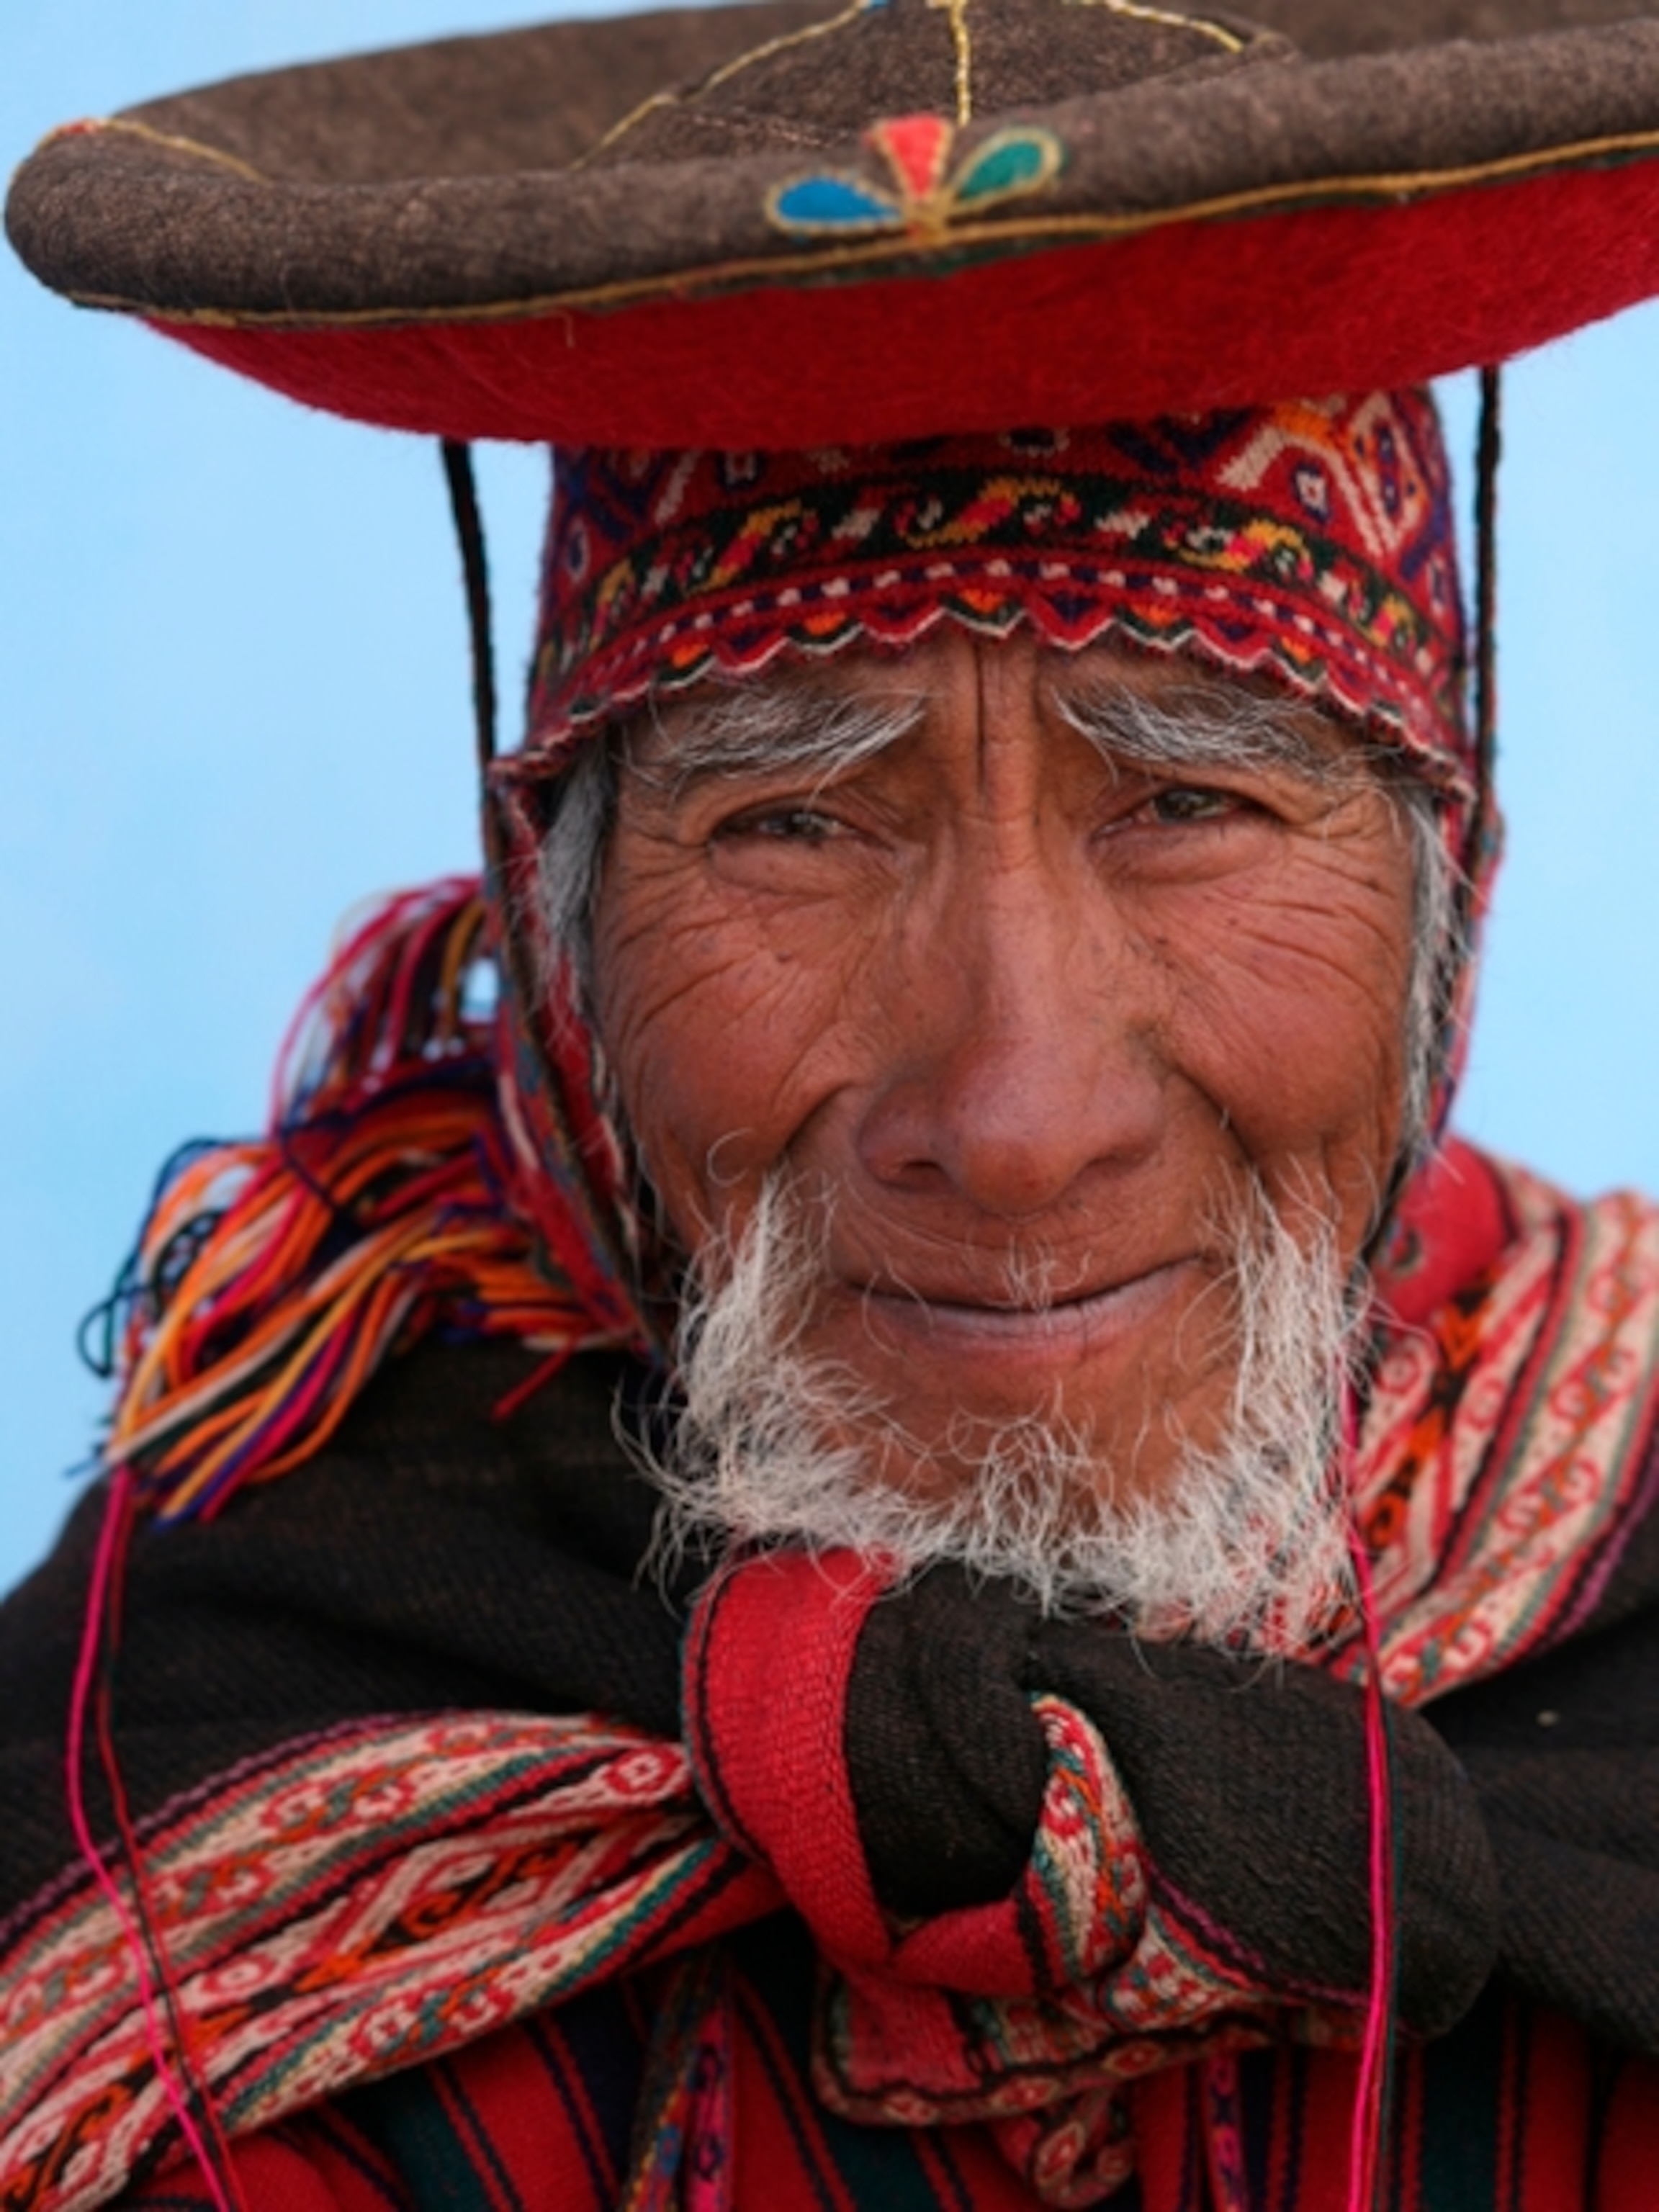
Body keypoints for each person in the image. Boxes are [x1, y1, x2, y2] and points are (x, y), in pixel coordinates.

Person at [6, 3, 1659, 2207]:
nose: (1016, 1112)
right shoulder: (181, 1804)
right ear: (557, 928)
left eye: (1191, 799)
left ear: (1449, 892)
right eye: (794, 821)